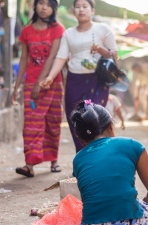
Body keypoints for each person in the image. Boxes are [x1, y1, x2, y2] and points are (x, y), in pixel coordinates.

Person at [40, 0, 118, 153]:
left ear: (92, 11)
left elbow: (114, 55)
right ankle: (82, 157)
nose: (81, 10)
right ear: (73, 11)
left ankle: (100, 157)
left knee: (97, 119)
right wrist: (50, 77)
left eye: (85, 6)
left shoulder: (103, 29)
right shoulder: (69, 33)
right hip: (74, 80)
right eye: (77, 7)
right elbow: (61, 57)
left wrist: (100, 49)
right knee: (75, 119)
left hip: (98, 81)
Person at [11, 0, 65, 177]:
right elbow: (24, 59)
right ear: (35, 6)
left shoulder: (57, 29)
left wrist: (39, 83)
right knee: (31, 124)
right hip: (30, 84)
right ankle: (30, 165)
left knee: (53, 121)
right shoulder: (27, 31)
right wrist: (16, 86)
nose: (44, 8)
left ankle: (54, 161)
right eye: (41, 3)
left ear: (53, 8)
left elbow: (52, 57)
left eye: (48, 5)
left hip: (52, 83)